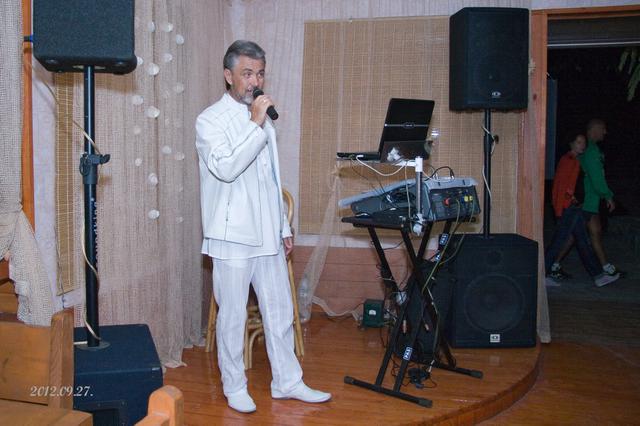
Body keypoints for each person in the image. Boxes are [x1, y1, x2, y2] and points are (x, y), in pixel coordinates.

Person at [195, 40, 331, 413]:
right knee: (233, 315)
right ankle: (234, 385)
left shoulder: (262, 122)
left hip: (268, 233)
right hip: (231, 236)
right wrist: (255, 124)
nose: (255, 81)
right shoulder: (210, 120)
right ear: (228, 76)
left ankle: (287, 381)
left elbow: (271, 179)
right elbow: (226, 168)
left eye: (260, 73)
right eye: (247, 73)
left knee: (280, 310)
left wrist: (283, 226)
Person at [545, 134, 619, 288]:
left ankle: (598, 276)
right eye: (578, 142)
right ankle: (542, 274)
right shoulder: (569, 160)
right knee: (560, 241)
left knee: (582, 241)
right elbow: (561, 185)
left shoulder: (576, 160)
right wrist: (564, 204)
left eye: (584, 142)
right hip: (569, 208)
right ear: (571, 144)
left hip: (575, 208)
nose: (582, 145)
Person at [579, 119, 622, 277]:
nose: (605, 132)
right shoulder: (590, 150)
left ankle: (606, 267)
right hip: (587, 199)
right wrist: (608, 195)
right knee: (572, 235)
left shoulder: (591, 148)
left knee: (591, 232)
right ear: (594, 129)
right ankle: (552, 265)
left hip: (589, 199)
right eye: (603, 128)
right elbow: (597, 178)